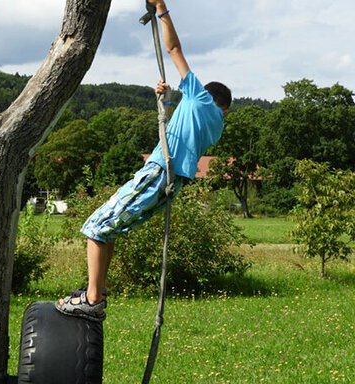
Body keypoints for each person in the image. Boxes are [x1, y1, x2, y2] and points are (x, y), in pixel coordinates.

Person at [56, 0, 231, 322]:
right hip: (172, 183)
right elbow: (179, 129)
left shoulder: (201, 97)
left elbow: (174, 48)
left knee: (95, 228)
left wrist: (162, 9)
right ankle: (97, 291)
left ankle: (92, 299)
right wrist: (164, 101)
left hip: (158, 172)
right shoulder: (216, 125)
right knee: (106, 230)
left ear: (207, 95)